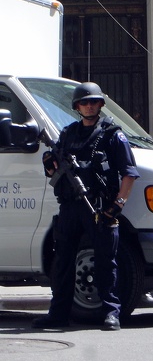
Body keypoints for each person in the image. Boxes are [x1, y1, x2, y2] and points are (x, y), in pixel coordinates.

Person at [32, 82, 139, 330]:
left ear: (101, 104)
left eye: (93, 102)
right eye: (84, 102)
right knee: (63, 263)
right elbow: (52, 171)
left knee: (105, 262)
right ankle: (58, 314)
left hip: (100, 207)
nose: (89, 106)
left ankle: (111, 313)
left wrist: (117, 206)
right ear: (77, 106)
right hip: (70, 208)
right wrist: (49, 161)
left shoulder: (113, 135)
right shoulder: (68, 134)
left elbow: (129, 174)